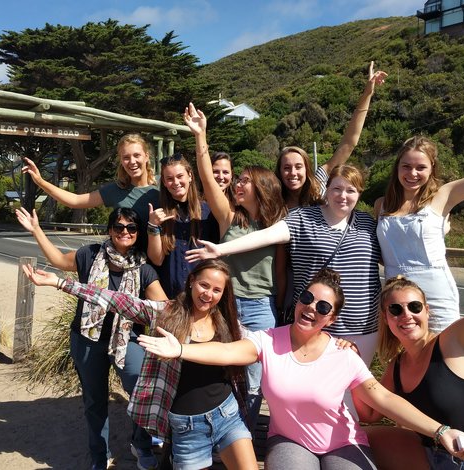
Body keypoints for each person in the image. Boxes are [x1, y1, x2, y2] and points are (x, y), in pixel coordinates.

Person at [139, 269, 464, 470]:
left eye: (323, 307)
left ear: (331, 319)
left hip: (344, 442)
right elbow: (228, 351)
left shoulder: (342, 354)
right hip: (290, 441)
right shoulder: (267, 341)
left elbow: (383, 400)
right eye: (307, 298)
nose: (311, 308)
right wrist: (182, 349)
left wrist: (441, 432)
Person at [23, 259, 258, 470]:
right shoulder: (167, 313)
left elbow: (258, 346)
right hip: (187, 427)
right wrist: (60, 283)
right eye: (204, 285)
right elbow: (116, 300)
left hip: (226, 415)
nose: (208, 294)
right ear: (191, 281)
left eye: (217, 290)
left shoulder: (227, 322)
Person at [16, 206, 166, 470]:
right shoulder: (90, 255)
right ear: (110, 230)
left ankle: (141, 444)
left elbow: (162, 305)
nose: (125, 232)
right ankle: (100, 456)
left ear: (137, 233)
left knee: (142, 394)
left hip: (127, 340)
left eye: (131, 228)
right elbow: (59, 261)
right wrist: (36, 230)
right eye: (119, 227)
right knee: (95, 401)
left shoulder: (143, 267)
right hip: (87, 339)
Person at [186, 165, 381, 366]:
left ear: (359, 193)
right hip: (313, 321)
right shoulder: (303, 218)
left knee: (356, 390)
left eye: (351, 190)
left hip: (362, 326)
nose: (343, 196)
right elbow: (266, 235)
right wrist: (222, 249)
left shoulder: (367, 223)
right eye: (336, 189)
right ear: (327, 190)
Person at [185, 102, 288, 429]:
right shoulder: (229, 217)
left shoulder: (279, 224)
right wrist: (201, 136)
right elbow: (207, 177)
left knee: (255, 380)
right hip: (224, 305)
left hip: (260, 308)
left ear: (261, 185)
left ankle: (241, 433)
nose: (237, 184)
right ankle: (219, 432)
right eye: (238, 179)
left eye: (244, 180)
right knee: (221, 372)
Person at [358, 275, 464, 470]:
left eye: (414, 307)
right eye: (395, 310)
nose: (406, 315)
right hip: (435, 455)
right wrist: (350, 360)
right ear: (386, 318)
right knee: (358, 437)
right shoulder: (397, 366)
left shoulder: (453, 342)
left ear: (427, 311)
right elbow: (370, 413)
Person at [374, 137, 464, 332]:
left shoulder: (443, 196)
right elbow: (383, 252)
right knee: (402, 357)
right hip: (396, 297)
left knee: (444, 352)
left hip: (435, 293)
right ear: (397, 168)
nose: (412, 173)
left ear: (432, 169)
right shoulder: (381, 205)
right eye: (406, 166)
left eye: (420, 167)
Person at [277, 61, 387, 210]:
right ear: (279, 171)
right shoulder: (273, 199)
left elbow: (349, 143)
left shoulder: (317, 185)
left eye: (298, 166)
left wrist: (367, 94)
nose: (293, 173)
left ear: (306, 169)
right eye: (286, 168)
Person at [22, 133, 159, 235]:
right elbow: (75, 201)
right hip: (127, 263)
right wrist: (40, 181)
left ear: (146, 156)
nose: (132, 162)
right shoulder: (116, 189)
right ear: (121, 161)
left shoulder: (163, 187)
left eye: (136, 155)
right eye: (126, 157)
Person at [146, 153, 220, 298]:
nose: (176, 182)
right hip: (170, 297)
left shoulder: (208, 211)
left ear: (190, 176)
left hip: (203, 297)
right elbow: (157, 259)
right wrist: (153, 226)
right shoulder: (159, 213)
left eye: (180, 176)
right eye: (169, 179)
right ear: (165, 184)